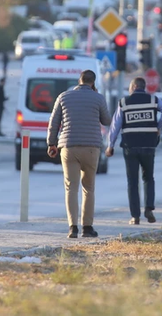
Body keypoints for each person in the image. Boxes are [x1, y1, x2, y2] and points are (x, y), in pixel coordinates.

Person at [47, 70, 111, 239]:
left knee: (70, 187)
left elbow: (54, 123)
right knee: (88, 188)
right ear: (93, 82)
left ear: (79, 80)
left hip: (69, 146)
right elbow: (107, 120)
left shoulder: (63, 97)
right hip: (91, 147)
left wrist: (51, 143)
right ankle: (87, 228)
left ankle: (72, 228)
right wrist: (96, 102)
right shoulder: (98, 98)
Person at [106, 77, 162, 225]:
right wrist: (158, 127)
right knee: (148, 178)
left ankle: (135, 216)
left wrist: (110, 145)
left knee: (132, 181)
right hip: (149, 145)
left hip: (130, 146)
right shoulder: (153, 100)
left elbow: (115, 125)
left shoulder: (124, 102)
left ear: (134, 86)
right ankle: (149, 208)